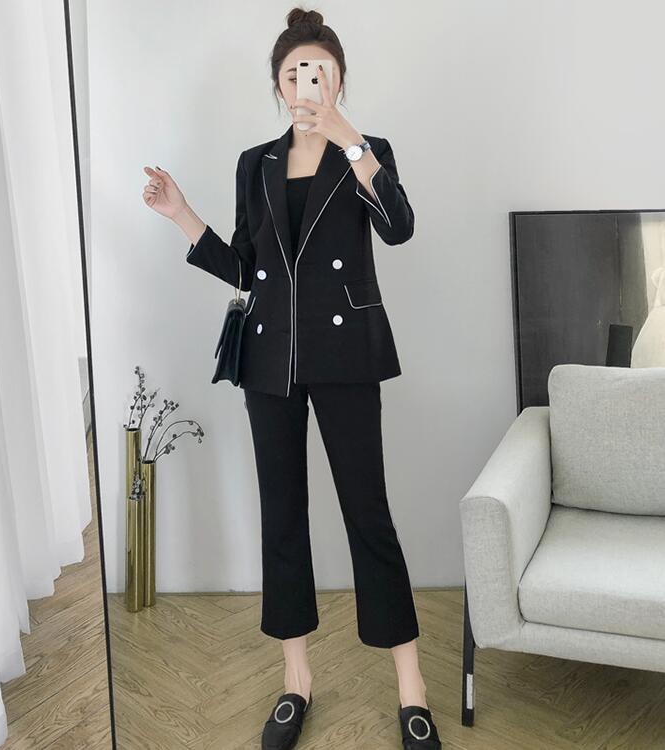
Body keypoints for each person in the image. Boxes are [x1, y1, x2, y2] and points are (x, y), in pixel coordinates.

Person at [142, 7, 441, 750]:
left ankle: (411, 688)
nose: (306, 82)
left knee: (368, 513)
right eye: (293, 72)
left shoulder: (367, 152)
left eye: (319, 70)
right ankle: (295, 680)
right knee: (282, 516)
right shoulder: (257, 163)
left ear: (338, 80)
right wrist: (182, 215)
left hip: (348, 358)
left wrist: (349, 138)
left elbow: (399, 227)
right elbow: (249, 270)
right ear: (278, 85)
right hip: (270, 362)